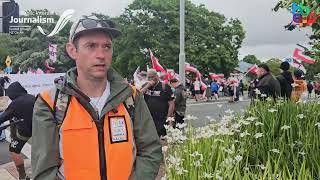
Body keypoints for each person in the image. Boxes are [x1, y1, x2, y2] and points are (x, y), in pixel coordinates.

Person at [32, 17, 162, 180]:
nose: (101, 55)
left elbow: (150, 151)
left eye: (107, 46)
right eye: (91, 46)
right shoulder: (49, 103)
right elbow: (43, 171)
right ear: (72, 50)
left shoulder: (132, 97)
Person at [0, 82, 35, 180]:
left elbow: (3, 117)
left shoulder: (16, 103)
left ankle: (22, 176)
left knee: (14, 150)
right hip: (39, 130)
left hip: (26, 131)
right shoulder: (32, 97)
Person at [141, 69, 175, 138]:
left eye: (152, 76)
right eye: (149, 77)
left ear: (157, 76)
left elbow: (171, 103)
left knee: (162, 138)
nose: (150, 79)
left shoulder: (164, 86)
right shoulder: (145, 85)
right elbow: (138, 94)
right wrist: (147, 86)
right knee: (152, 138)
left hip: (162, 119)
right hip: (150, 118)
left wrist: (169, 116)